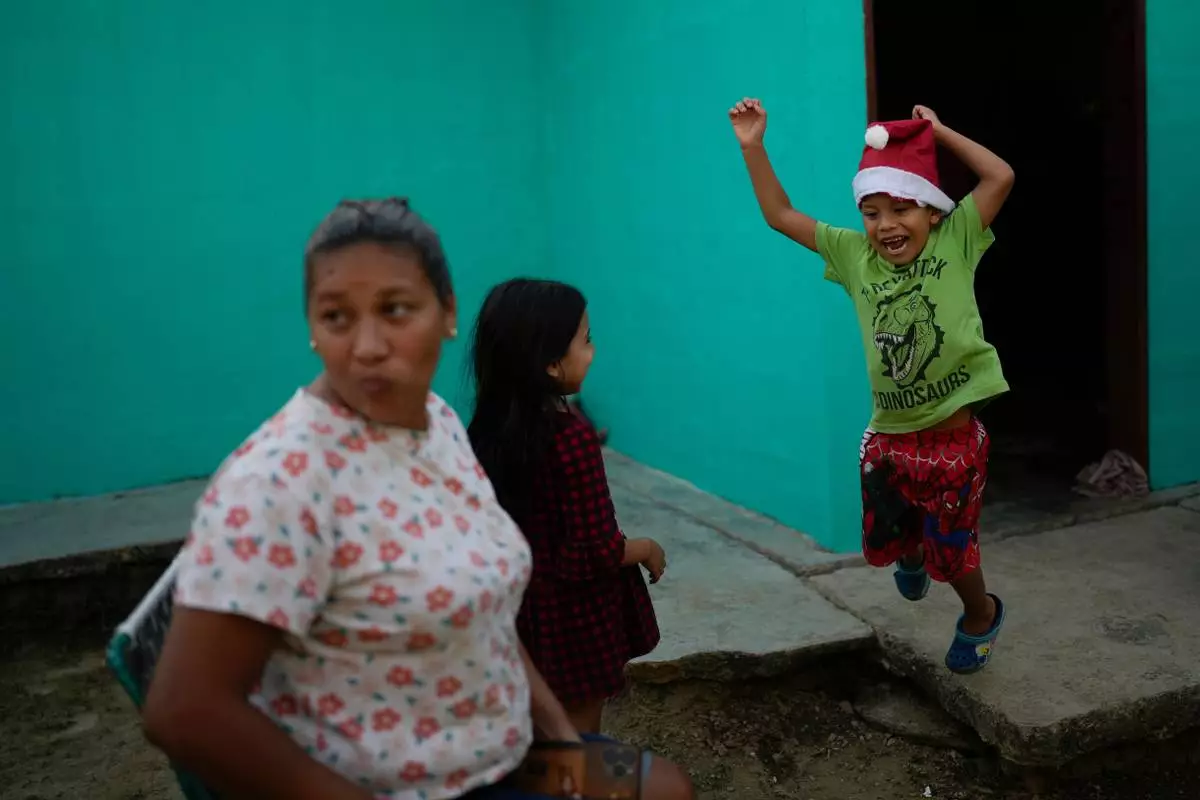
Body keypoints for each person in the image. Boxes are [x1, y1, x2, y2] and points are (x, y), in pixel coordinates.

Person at [141, 198, 693, 799]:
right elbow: (184, 711)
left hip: (501, 751)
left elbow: (488, 612)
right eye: (336, 315)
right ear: (311, 327)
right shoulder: (279, 480)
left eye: (396, 309)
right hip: (401, 781)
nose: (368, 345)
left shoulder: (438, 428)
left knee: (664, 788)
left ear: (448, 313)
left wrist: (562, 743)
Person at [729, 98, 1015, 674]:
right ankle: (911, 552)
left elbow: (1000, 176)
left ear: (932, 210)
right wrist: (753, 147)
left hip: (953, 441)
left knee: (952, 551)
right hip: (889, 438)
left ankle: (979, 613)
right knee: (891, 532)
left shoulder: (956, 238)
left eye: (902, 208)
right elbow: (780, 215)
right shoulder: (855, 256)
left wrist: (940, 133)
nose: (886, 225)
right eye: (872, 212)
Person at [467, 279, 664, 735]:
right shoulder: (571, 439)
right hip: (572, 626)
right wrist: (644, 548)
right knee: (577, 736)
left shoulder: (484, 433)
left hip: (515, 617)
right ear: (552, 364)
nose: (593, 351)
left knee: (530, 729)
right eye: (586, 340)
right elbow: (591, 552)